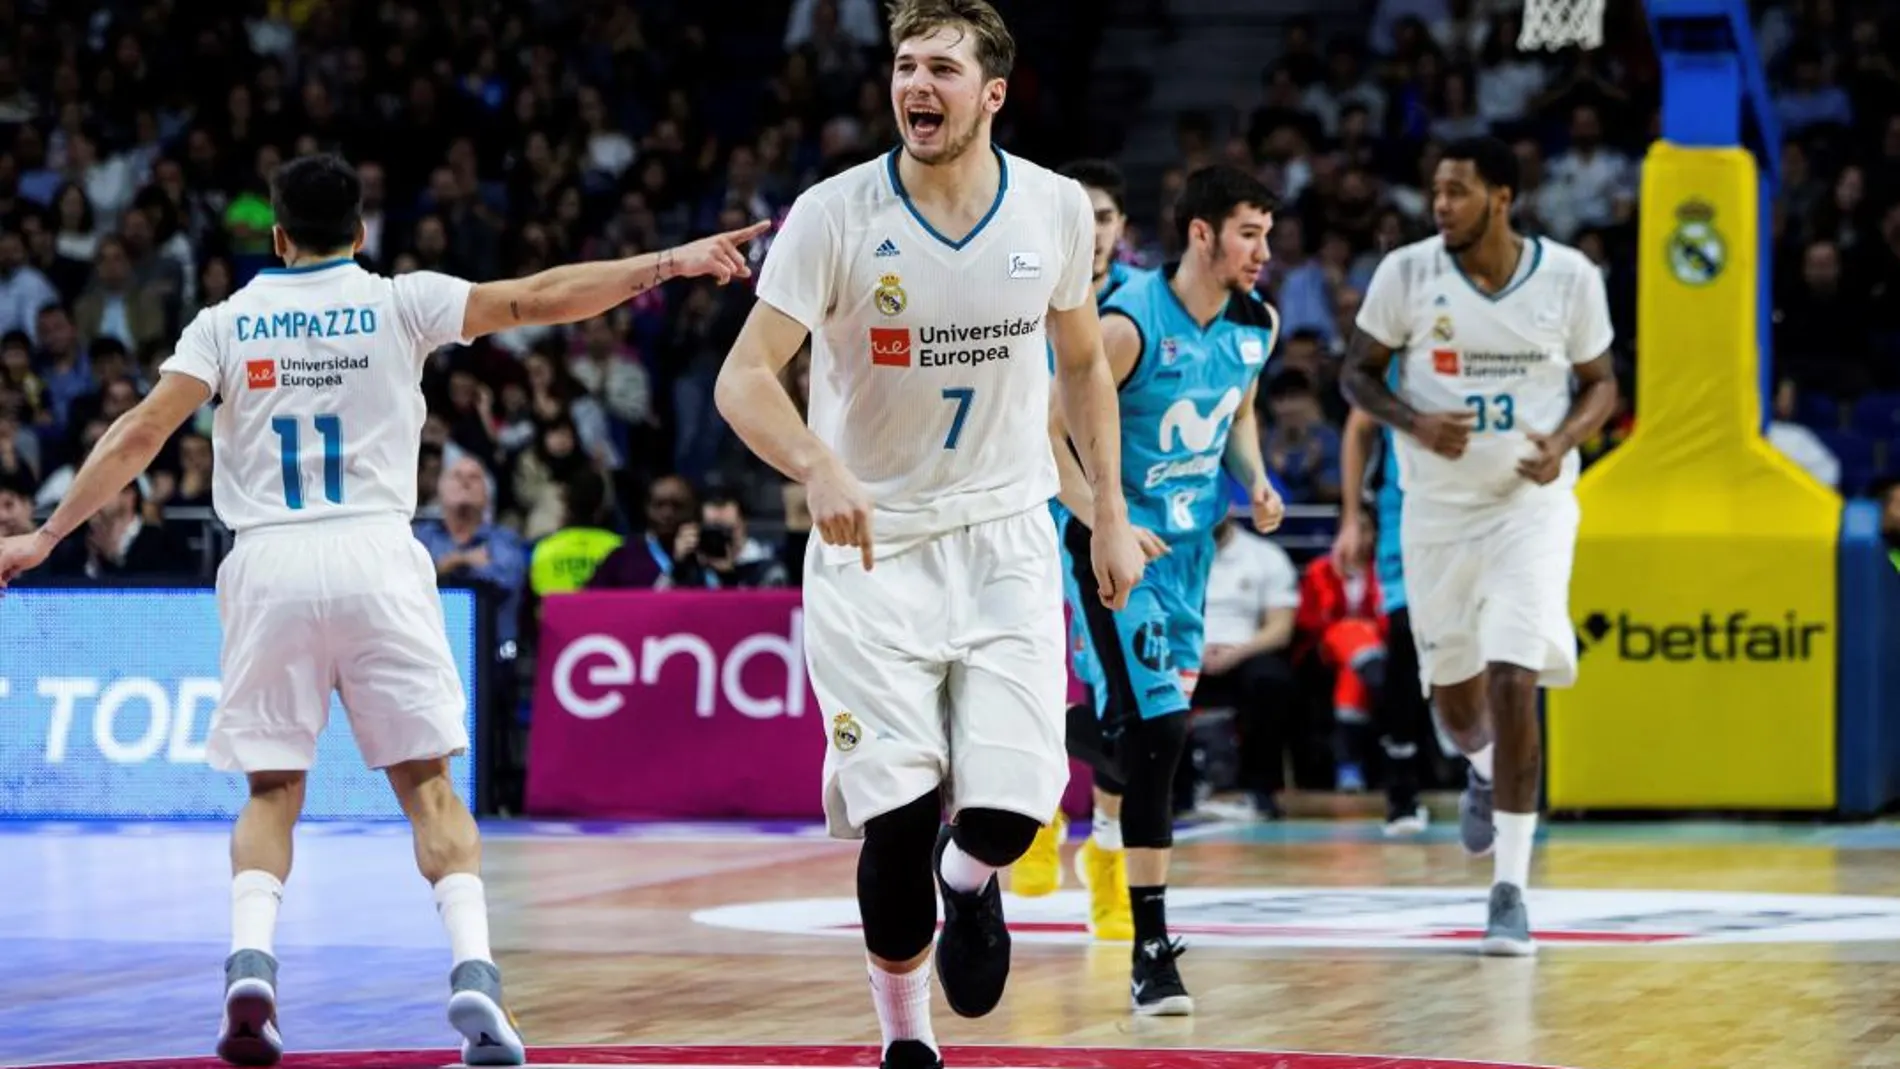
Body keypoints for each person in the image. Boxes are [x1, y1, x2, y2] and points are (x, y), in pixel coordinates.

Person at [0, 152, 768, 1067]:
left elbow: (137, 434)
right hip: (376, 553)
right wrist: (668, 263)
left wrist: (46, 536)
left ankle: (252, 966)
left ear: (276, 237)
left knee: (273, 790)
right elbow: (540, 297)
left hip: (270, 562)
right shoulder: (401, 300)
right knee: (430, 789)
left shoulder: (225, 321)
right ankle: (475, 976)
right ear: (360, 234)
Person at [712, 2, 1146, 1066]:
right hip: (875, 549)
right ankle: (905, 1042)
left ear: (990, 94)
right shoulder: (833, 212)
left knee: (1008, 812)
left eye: (942, 68)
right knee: (896, 819)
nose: (918, 84)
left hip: (1002, 534)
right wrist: (818, 465)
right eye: (906, 65)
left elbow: (1084, 364)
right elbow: (742, 378)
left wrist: (1109, 514)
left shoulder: (1047, 208)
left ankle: (973, 881)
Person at [1339, 135, 1617, 956]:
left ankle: (1511, 887)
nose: (1441, 206)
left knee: (1513, 672)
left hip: (1529, 507)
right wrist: (1413, 419)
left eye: (1457, 191)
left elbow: (1604, 383)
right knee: (1458, 707)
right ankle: (1485, 770)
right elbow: (1357, 375)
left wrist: (1565, 438)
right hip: (1434, 515)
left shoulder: (1570, 277)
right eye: (1436, 192)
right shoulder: (1407, 274)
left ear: (1502, 197)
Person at [1050, 164, 1286, 1016]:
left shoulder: (1258, 323)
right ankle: (1152, 949)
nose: (1264, 251)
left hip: (1190, 555)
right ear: (1201, 233)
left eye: (1267, 234)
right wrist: (1102, 519)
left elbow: (1239, 409)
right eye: (1249, 234)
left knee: (1141, 737)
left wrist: (1254, 479)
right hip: (1116, 550)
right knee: (1160, 732)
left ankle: (1041, 732)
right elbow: (1050, 431)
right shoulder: (1127, 323)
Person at [1009, 157, 1146, 941]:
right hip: (1044, 509)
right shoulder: (1028, 293)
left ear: (1121, 228)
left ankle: (1107, 861)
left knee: (1119, 707)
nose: (1090, 230)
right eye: (1080, 215)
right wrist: (1096, 512)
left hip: (1123, 517)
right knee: (1042, 683)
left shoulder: (1141, 307)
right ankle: (1031, 820)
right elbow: (1046, 428)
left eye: (1103, 216)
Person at [1335, 405, 1432, 835]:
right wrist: (1352, 518)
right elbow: (1359, 424)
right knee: (1405, 641)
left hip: (1479, 510)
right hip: (1405, 515)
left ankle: (1485, 775)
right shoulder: (1394, 344)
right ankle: (1401, 789)